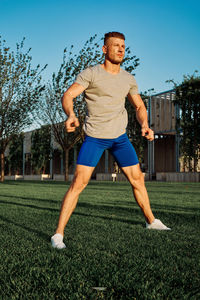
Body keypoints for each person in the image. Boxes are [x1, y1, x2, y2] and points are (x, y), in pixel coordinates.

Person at [51, 32, 171, 249]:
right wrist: (70, 115)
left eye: (123, 46)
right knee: (79, 183)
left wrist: (144, 124)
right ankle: (58, 235)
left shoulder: (128, 78)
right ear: (104, 49)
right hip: (95, 138)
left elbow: (139, 106)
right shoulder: (91, 74)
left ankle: (151, 221)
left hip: (120, 138)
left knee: (138, 180)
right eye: (115, 45)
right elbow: (68, 95)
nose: (120, 49)